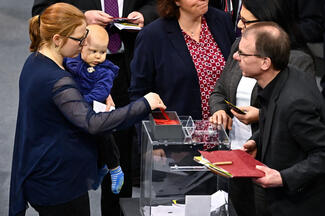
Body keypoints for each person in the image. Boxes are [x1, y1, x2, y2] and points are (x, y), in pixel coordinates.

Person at [9, 3, 165, 216]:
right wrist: (144, 104)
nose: (83, 44)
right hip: (59, 184)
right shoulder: (57, 80)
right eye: (80, 39)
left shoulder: (36, 61)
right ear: (57, 39)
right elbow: (92, 123)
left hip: (48, 173)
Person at [208, 0, 315, 215]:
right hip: (234, 156)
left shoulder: (297, 63)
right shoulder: (239, 47)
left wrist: (262, 116)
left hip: (268, 168)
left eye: (246, 21)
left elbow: (301, 122)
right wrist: (220, 109)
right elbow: (219, 90)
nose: (239, 25)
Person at [240, 21, 325, 216]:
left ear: (265, 62)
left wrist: (282, 177)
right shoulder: (281, 79)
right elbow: (279, 121)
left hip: (298, 206)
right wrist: (258, 140)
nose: (236, 57)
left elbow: (322, 154)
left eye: (243, 53)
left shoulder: (295, 103)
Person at [129, 0, 235, 121]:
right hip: (177, 132)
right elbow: (139, 93)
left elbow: (235, 71)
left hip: (226, 130)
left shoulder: (221, 20)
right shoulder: (152, 36)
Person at [64, 24, 123, 193]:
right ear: (82, 46)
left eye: (102, 52)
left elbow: (101, 92)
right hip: (76, 108)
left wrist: (81, 101)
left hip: (93, 108)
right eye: (93, 51)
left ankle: (115, 168)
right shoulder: (72, 60)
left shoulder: (106, 71)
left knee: (104, 136)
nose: (98, 56)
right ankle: (99, 168)